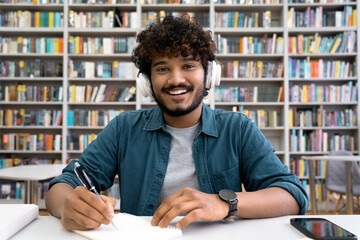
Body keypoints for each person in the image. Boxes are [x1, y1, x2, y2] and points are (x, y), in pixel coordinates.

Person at [46, 14, 308, 231]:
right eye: (162, 69)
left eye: (188, 65)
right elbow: (62, 186)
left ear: (208, 76)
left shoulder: (237, 128)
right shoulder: (124, 128)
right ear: (147, 83)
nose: (175, 79)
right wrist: (68, 204)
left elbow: (291, 195)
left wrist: (224, 202)